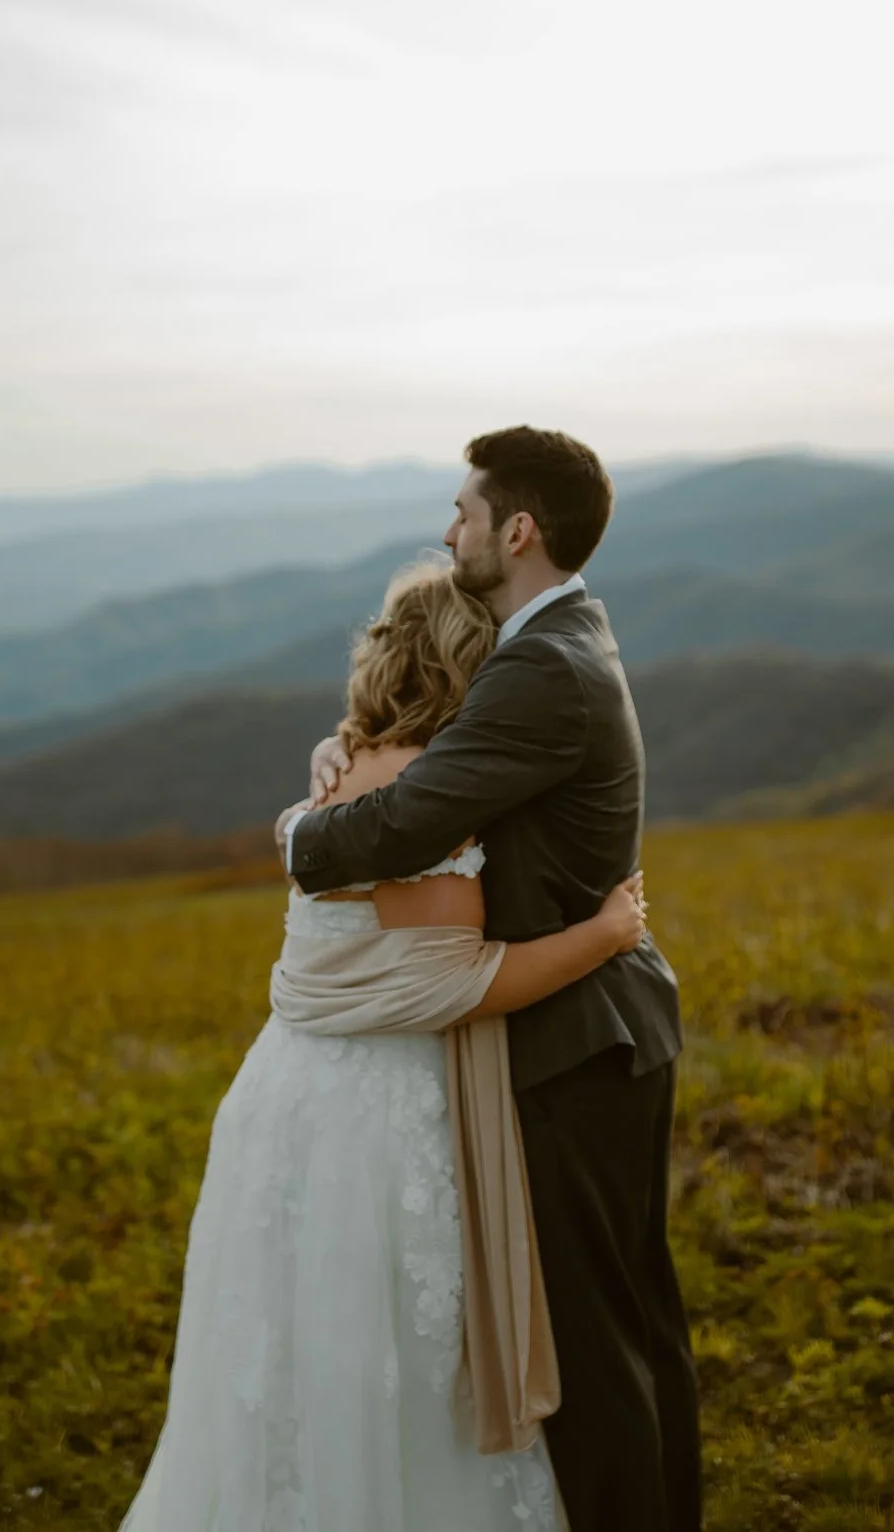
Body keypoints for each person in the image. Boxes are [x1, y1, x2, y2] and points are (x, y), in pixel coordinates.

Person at [121, 557, 646, 1530]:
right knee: (391, 1359)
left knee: (289, 1359)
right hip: (378, 1120)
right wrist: (600, 936)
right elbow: (442, 979)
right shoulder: (422, 788)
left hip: (285, 1094)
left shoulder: (351, 763)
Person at [283, 427, 701, 1532]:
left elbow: (414, 816)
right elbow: (432, 760)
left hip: (572, 1037)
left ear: (516, 530)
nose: (447, 530)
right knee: (634, 1320)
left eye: (462, 513)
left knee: (599, 1344)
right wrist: (340, 745)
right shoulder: (560, 640)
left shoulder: (541, 663)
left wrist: (297, 833)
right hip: (604, 1024)